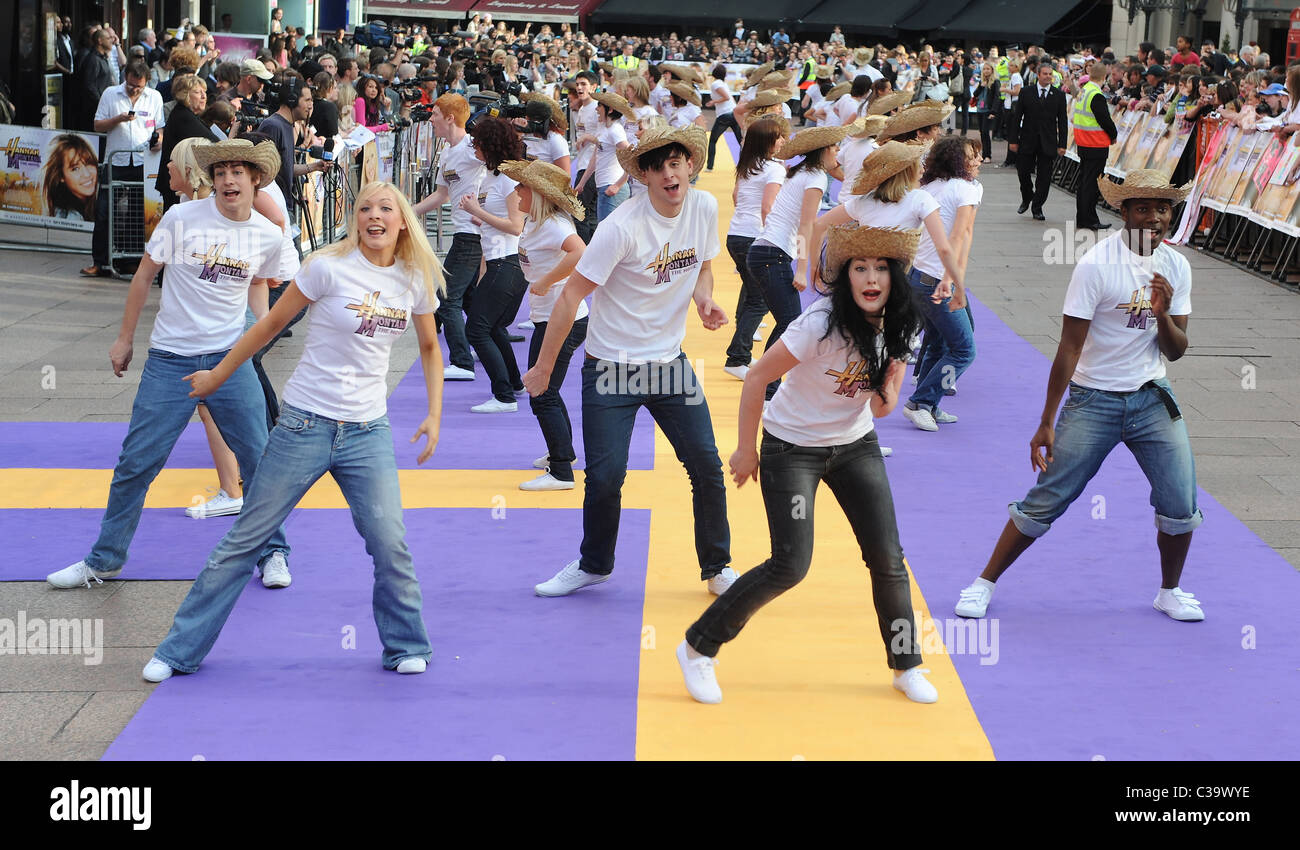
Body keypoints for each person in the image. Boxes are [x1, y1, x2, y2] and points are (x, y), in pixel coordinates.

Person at [141, 178, 446, 683]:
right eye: (365, 207)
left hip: (368, 432)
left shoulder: (414, 278)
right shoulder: (326, 267)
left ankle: (406, 644)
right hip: (304, 424)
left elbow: (431, 349)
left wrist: (435, 415)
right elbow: (266, 326)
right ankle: (178, 651)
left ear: (401, 219)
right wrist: (219, 374)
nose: (374, 216)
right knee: (246, 538)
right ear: (355, 218)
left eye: (385, 208)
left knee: (390, 541)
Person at [676, 224, 937, 706]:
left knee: (888, 559)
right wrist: (744, 449)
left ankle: (907, 664)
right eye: (860, 268)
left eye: (881, 267)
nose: (871, 277)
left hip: (854, 445)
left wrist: (890, 384)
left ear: (894, 277)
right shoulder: (818, 325)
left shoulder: (900, 324)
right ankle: (698, 646)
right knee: (790, 565)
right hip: (791, 447)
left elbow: (882, 408)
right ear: (845, 277)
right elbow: (756, 377)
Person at [954, 170, 1203, 624]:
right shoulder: (1096, 265)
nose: (1154, 218)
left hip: (1152, 399)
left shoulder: (1177, 267)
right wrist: (1047, 420)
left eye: (1162, 209)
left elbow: (1177, 350)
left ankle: (1170, 590)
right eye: (1142, 208)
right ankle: (983, 582)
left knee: (1180, 502)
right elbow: (1069, 348)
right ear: (1124, 213)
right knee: (1050, 496)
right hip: (1094, 400)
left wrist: (1164, 316)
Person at [46, 139, 293, 591]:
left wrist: (257, 337)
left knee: (260, 460)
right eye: (220, 172)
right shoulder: (181, 219)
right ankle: (103, 559)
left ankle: (273, 552)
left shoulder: (268, 235)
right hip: (169, 359)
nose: (228, 180)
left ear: (255, 179)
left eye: (238, 171)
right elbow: (143, 275)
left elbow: (259, 286)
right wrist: (124, 340)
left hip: (229, 360)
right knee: (137, 463)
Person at [522, 126, 738, 598]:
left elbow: (702, 264)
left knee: (705, 463)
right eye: (657, 166)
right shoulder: (619, 227)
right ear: (641, 175)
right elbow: (570, 296)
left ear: (690, 166)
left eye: (676, 163)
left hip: (669, 364)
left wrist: (704, 300)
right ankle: (593, 565)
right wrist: (542, 368)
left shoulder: (703, 207)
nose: (669, 173)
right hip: (611, 368)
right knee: (605, 476)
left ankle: (717, 566)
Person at [748, 124, 853, 400]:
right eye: (834, 147)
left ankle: (766, 382)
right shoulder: (816, 178)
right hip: (772, 254)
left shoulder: (803, 173)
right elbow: (807, 226)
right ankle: (766, 384)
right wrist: (804, 270)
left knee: (788, 320)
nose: (838, 153)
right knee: (790, 321)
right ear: (823, 151)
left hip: (765, 252)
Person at [504, 160, 590, 491]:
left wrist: (547, 281)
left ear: (537, 193)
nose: (515, 191)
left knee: (540, 391)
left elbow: (579, 251)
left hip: (561, 319)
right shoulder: (534, 223)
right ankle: (562, 454)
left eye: (521, 187)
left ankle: (561, 472)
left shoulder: (555, 225)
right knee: (545, 390)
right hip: (549, 317)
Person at [903, 136, 982, 431]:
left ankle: (929, 404)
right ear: (957, 161)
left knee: (937, 342)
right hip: (937, 279)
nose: (976, 160)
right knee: (964, 349)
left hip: (919, 276)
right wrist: (951, 282)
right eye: (970, 156)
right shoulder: (964, 189)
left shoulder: (929, 187)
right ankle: (922, 401)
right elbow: (958, 237)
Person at [412, 94, 485, 383]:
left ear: (450, 118)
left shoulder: (472, 149)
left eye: (436, 115)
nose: (431, 120)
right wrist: (409, 211)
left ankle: (462, 361)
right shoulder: (446, 153)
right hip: (463, 233)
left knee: (447, 298)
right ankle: (484, 342)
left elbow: (500, 171)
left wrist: (485, 209)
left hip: (472, 233)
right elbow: (442, 195)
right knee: (466, 298)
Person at [457, 118, 528, 413]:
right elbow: (497, 222)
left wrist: (478, 212)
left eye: (478, 144)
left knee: (477, 328)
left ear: (490, 146)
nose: (474, 148)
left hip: (509, 263)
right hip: (499, 262)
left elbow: (515, 226)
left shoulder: (510, 179)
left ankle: (504, 395)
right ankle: (513, 384)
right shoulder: (491, 177)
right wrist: (479, 215)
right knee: (494, 326)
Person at [82, 59, 161, 277]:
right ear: (125, 79)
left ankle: (131, 260)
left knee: (137, 212)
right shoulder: (110, 94)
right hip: (115, 160)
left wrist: (159, 139)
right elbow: (97, 124)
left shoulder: (154, 97)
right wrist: (119, 119)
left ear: (146, 83)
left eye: (139, 86)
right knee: (104, 211)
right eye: (131, 85)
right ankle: (100, 261)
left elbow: (160, 126)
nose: (134, 89)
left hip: (141, 161)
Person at [722, 116, 786, 381]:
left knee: (751, 293)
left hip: (735, 235)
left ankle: (742, 352)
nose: (783, 140)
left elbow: (737, 197)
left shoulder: (748, 165)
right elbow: (767, 207)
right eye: (779, 136)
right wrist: (771, 237)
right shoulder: (774, 169)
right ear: (769, 142)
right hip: (754, 237)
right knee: (760, 300)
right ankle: (737, 357)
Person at [1009, 61, 1067, 221]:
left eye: (1050, 74)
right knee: (1023, 172)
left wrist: (1062, 144)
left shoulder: (1059, 95)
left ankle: (1037, 206)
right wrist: (1013, 140)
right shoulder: (1026, 92)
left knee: (1044, 177)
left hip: (1048, 142)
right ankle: (1027, 196)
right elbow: (1017, 117)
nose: (1048, 77)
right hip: (1027, 139)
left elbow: (1062, 121)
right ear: (1038, 75)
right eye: (1045, 74)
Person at [156, 73, 218, 210]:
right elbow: (215, 143)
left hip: (181, 184)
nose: (203, 96)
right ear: (185, 95)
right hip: (178, 184)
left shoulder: (187, 115)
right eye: (197, 92)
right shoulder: (183, 116)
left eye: (205, 92)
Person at [1073, 58, 1118, 231]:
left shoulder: (1084, 91)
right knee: (1091, 184)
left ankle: (1083, 218)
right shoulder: (1096, 95)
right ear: (1104, 76)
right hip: (1095, 143)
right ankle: (1090, 219)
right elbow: (1104, 119)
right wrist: (1113, 135)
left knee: (1084, 181)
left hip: (1084, 142)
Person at [577, 91, 633, 221]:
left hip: (611, 188)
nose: (596, 109)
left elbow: (632, 155)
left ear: (610, 110)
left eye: (600, 106)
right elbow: (595, 158)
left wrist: (618, 185)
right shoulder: (604, 128)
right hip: (605, 187)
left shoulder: (615, 130)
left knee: (608, 235)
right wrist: (582, 183)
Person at [568, 72, 601, 242]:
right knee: (588, 214)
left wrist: (588, 138)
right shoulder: (581, 109)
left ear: (594, 87)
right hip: (582, 164)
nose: (579, 88)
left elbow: (605, 139)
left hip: (591, 168)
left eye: (583, 84)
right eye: (578, 84)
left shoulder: (597, 108)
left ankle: (585, 252)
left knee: (579, 213)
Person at [41, 134, 98, 222]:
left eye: (88, 163)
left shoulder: (93, 205)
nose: (86, 174)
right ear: (61, 176)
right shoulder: (70, 217)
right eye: (75, 169)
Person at [706, 64, 741, 170]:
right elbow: (729, 97)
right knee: (741, 141)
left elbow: (726, 97)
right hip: (733, 113)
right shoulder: (723, 84)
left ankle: (709, 166)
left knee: (712, 140)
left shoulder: (716, 84)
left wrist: (713, 102)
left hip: (724, 115)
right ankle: (745, 164)